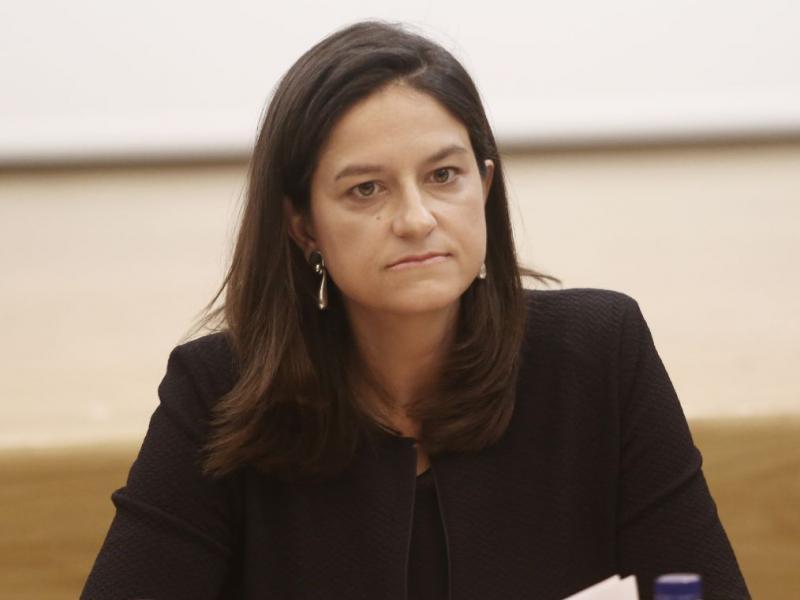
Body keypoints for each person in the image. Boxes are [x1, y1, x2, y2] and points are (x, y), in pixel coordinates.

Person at [81, 19, 750, 600]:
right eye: (366, 189)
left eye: (443, 176)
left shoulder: (598, 355)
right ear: (303, 226)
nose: (416, 218)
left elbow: (699, 587)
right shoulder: (218, 390)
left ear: (484, 186)